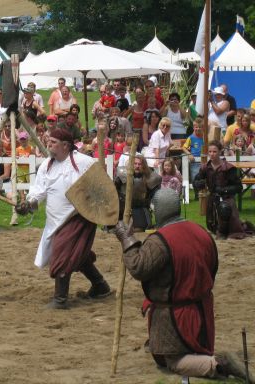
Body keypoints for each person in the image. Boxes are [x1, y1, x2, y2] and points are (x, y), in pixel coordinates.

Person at [113, 188, 254, 383]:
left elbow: (139, 268)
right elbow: (213, 267)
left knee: (175, 363)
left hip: (177, 316)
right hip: (202, 309)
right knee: (164, 354)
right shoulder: (201, 232)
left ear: (160, 210)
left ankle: (219, 364)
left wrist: (127, 239)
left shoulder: (159, 241)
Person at [16, 128, 111, 309]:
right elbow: (38, 192)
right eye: (49, 141)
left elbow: (101, 183)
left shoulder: (84, 162)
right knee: (78, 255)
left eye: (53, 142)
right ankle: (101, 286)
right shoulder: (46, 165)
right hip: (55, 221)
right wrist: (28, 203)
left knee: (62, 254)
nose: (48, 144)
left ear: (66, 146)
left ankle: (60, 299)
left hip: (79, 218)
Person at [193, 140, 254, 239]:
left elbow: (238, 187)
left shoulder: (228, 168)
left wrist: (224, 190)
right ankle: (220, 230)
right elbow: (196, 181)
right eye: (210, 152)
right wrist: (198, 184)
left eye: (214, 151)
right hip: (212, 201)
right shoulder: (205, 167)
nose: (212, 154)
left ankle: (226, 231)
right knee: (212, 227)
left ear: (220, 152)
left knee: (224, 208)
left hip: (227, 200)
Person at [115, 155, 161, 231]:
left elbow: (155, 196)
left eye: (139, 164)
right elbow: (115, 192)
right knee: (117, 228)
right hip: (123, 209)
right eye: (135, 163)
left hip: (141, 208)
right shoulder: (122, 175)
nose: (137, 166)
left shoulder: (150, 176)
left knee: (139, 229)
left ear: (144, 165)